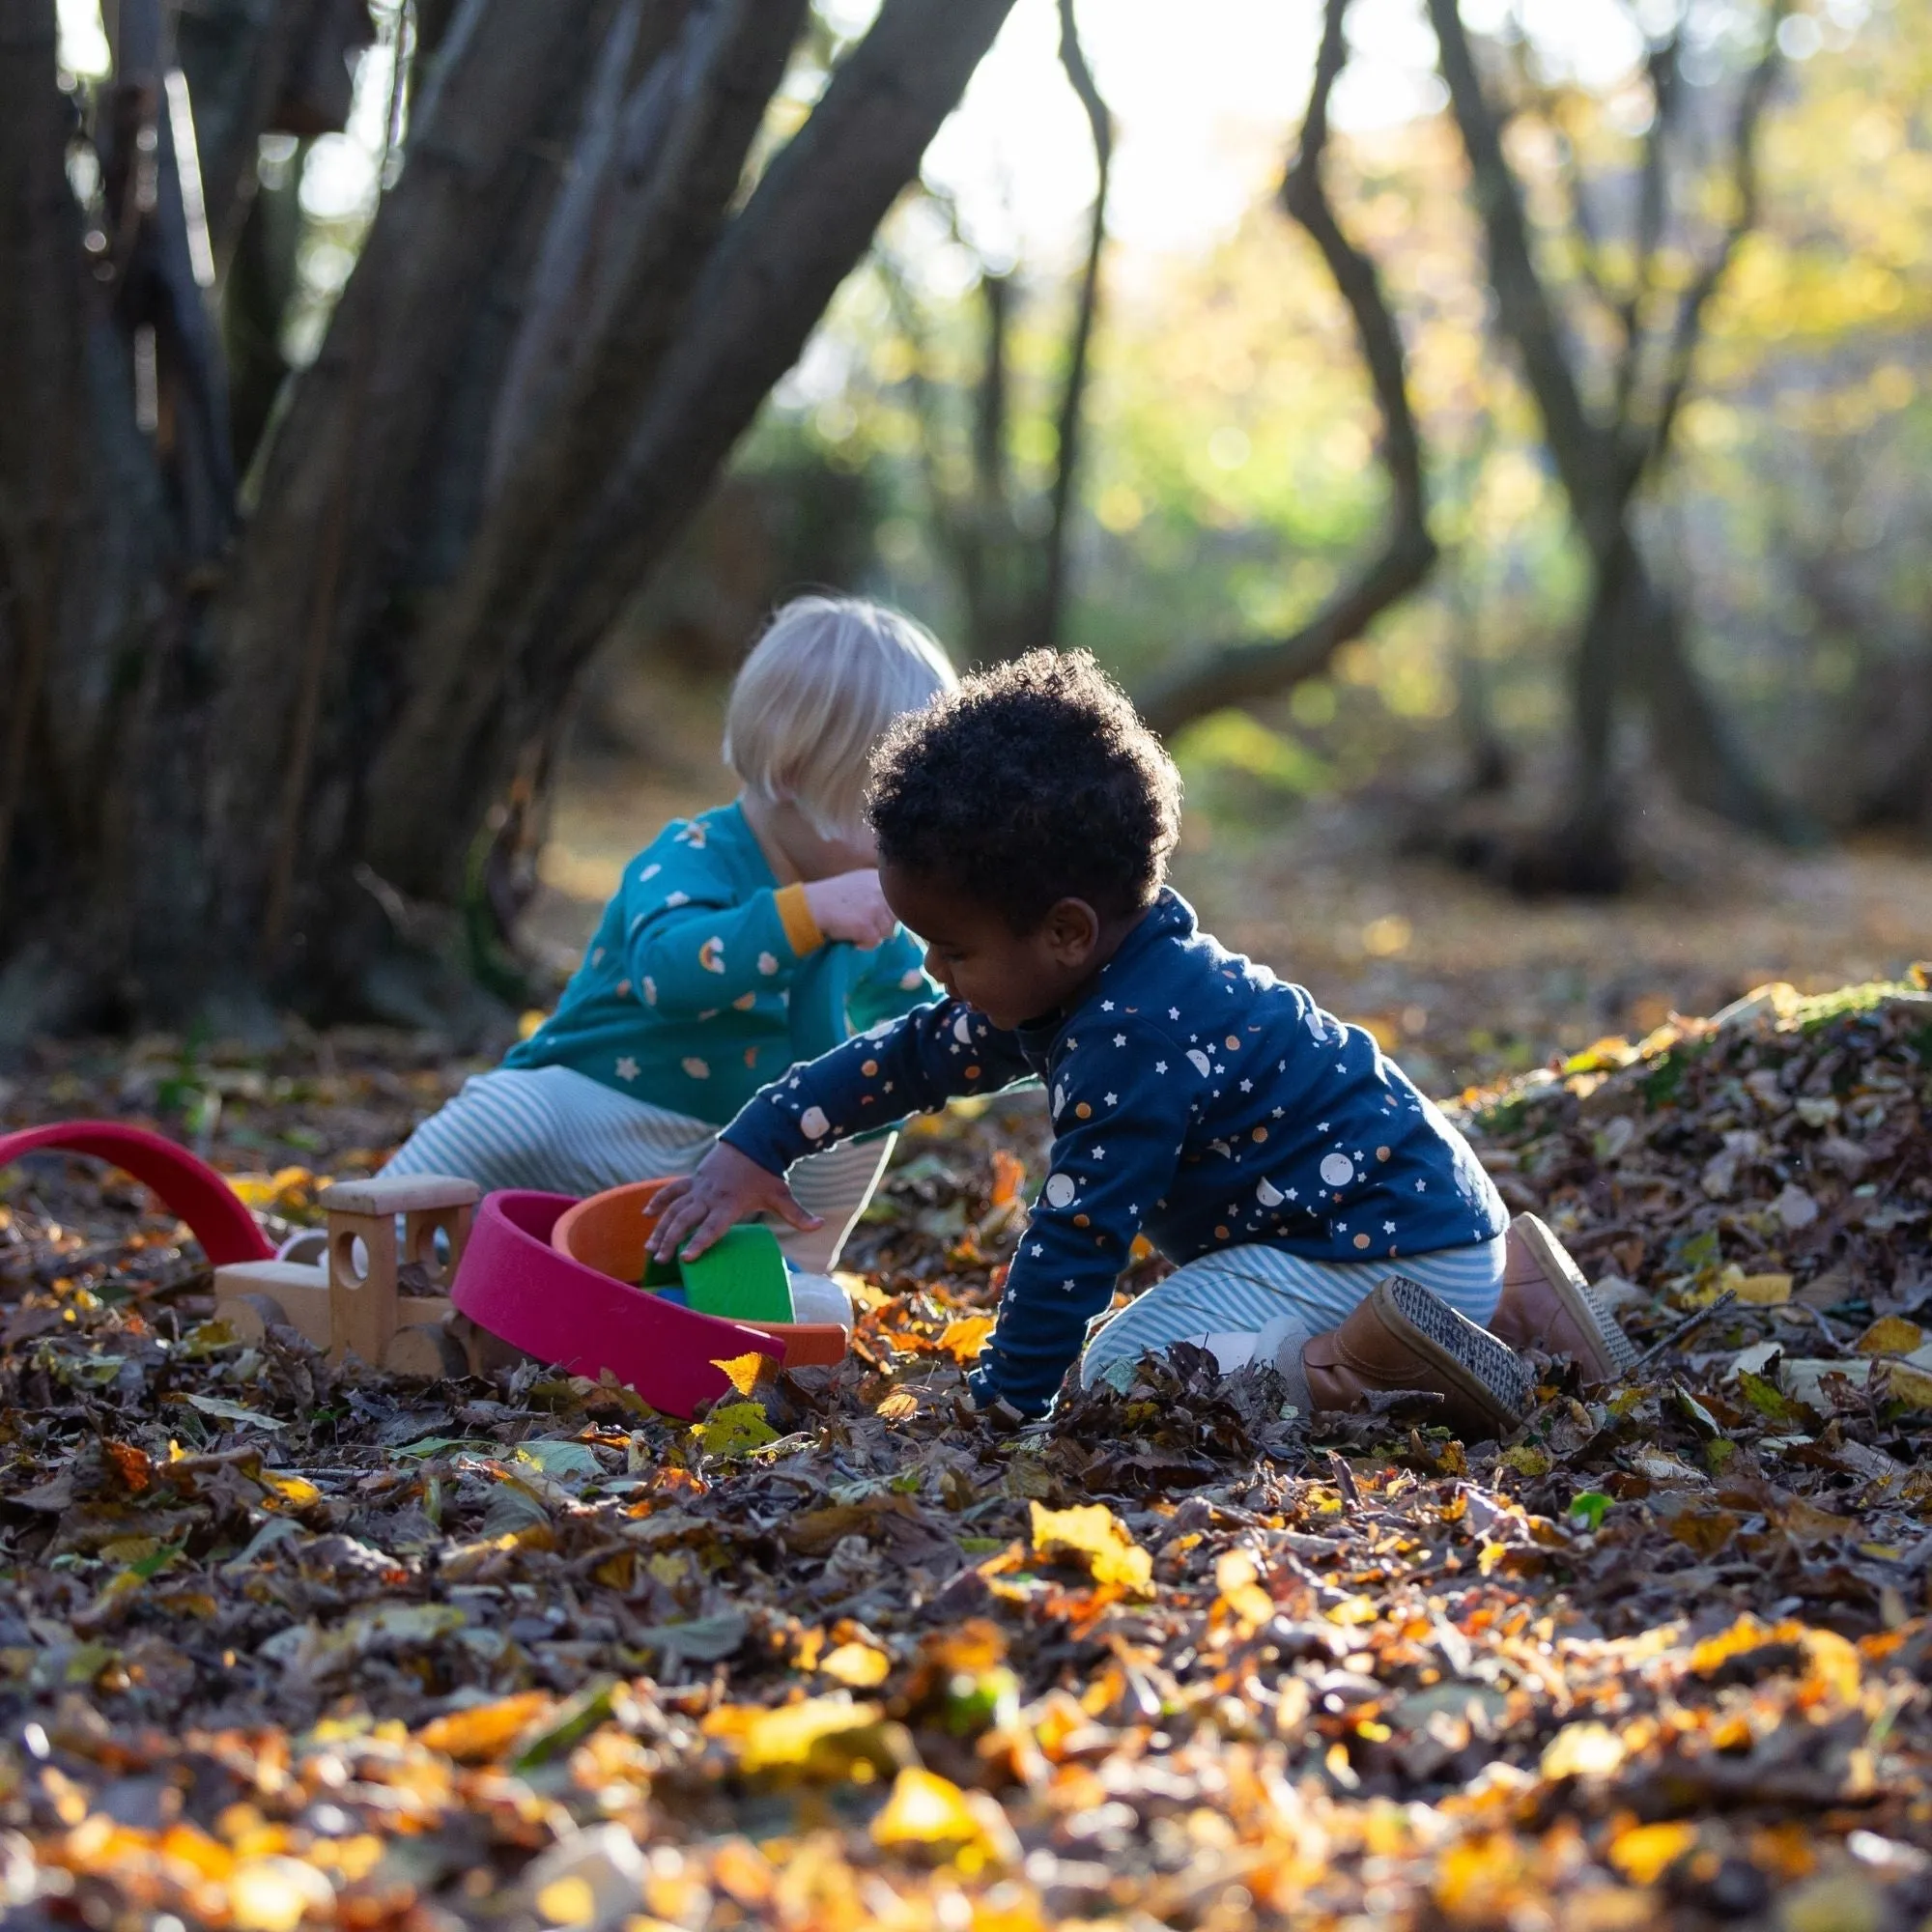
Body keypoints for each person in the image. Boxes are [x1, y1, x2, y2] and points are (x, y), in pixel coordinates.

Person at [646, 650, 1634, 1430]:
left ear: (1065, 930)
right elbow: (909, 1058)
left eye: (950, 948)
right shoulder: (1106, 973)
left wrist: (1004, 1399)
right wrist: (761, 1138)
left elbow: (1074, 1239)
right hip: (1425, 1222)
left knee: (1123, 1367)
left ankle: (1366, 1366)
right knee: (1143, 1344)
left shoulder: (1128, 1039)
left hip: (1374, 1246)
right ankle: (1505, 1311)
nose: (934, 973)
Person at [380, 595, 957, 1274]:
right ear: (796, 774)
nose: (913, 842)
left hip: (736, 1155)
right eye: (889, 811)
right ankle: (375, 1239)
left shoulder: (873, 907)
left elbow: (918, 1028)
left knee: (860, 1119)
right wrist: (805, 914)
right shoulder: (691, 854)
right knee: (506, 1110)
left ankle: (792, 1273)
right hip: (600, 1115)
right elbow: (669, 971)